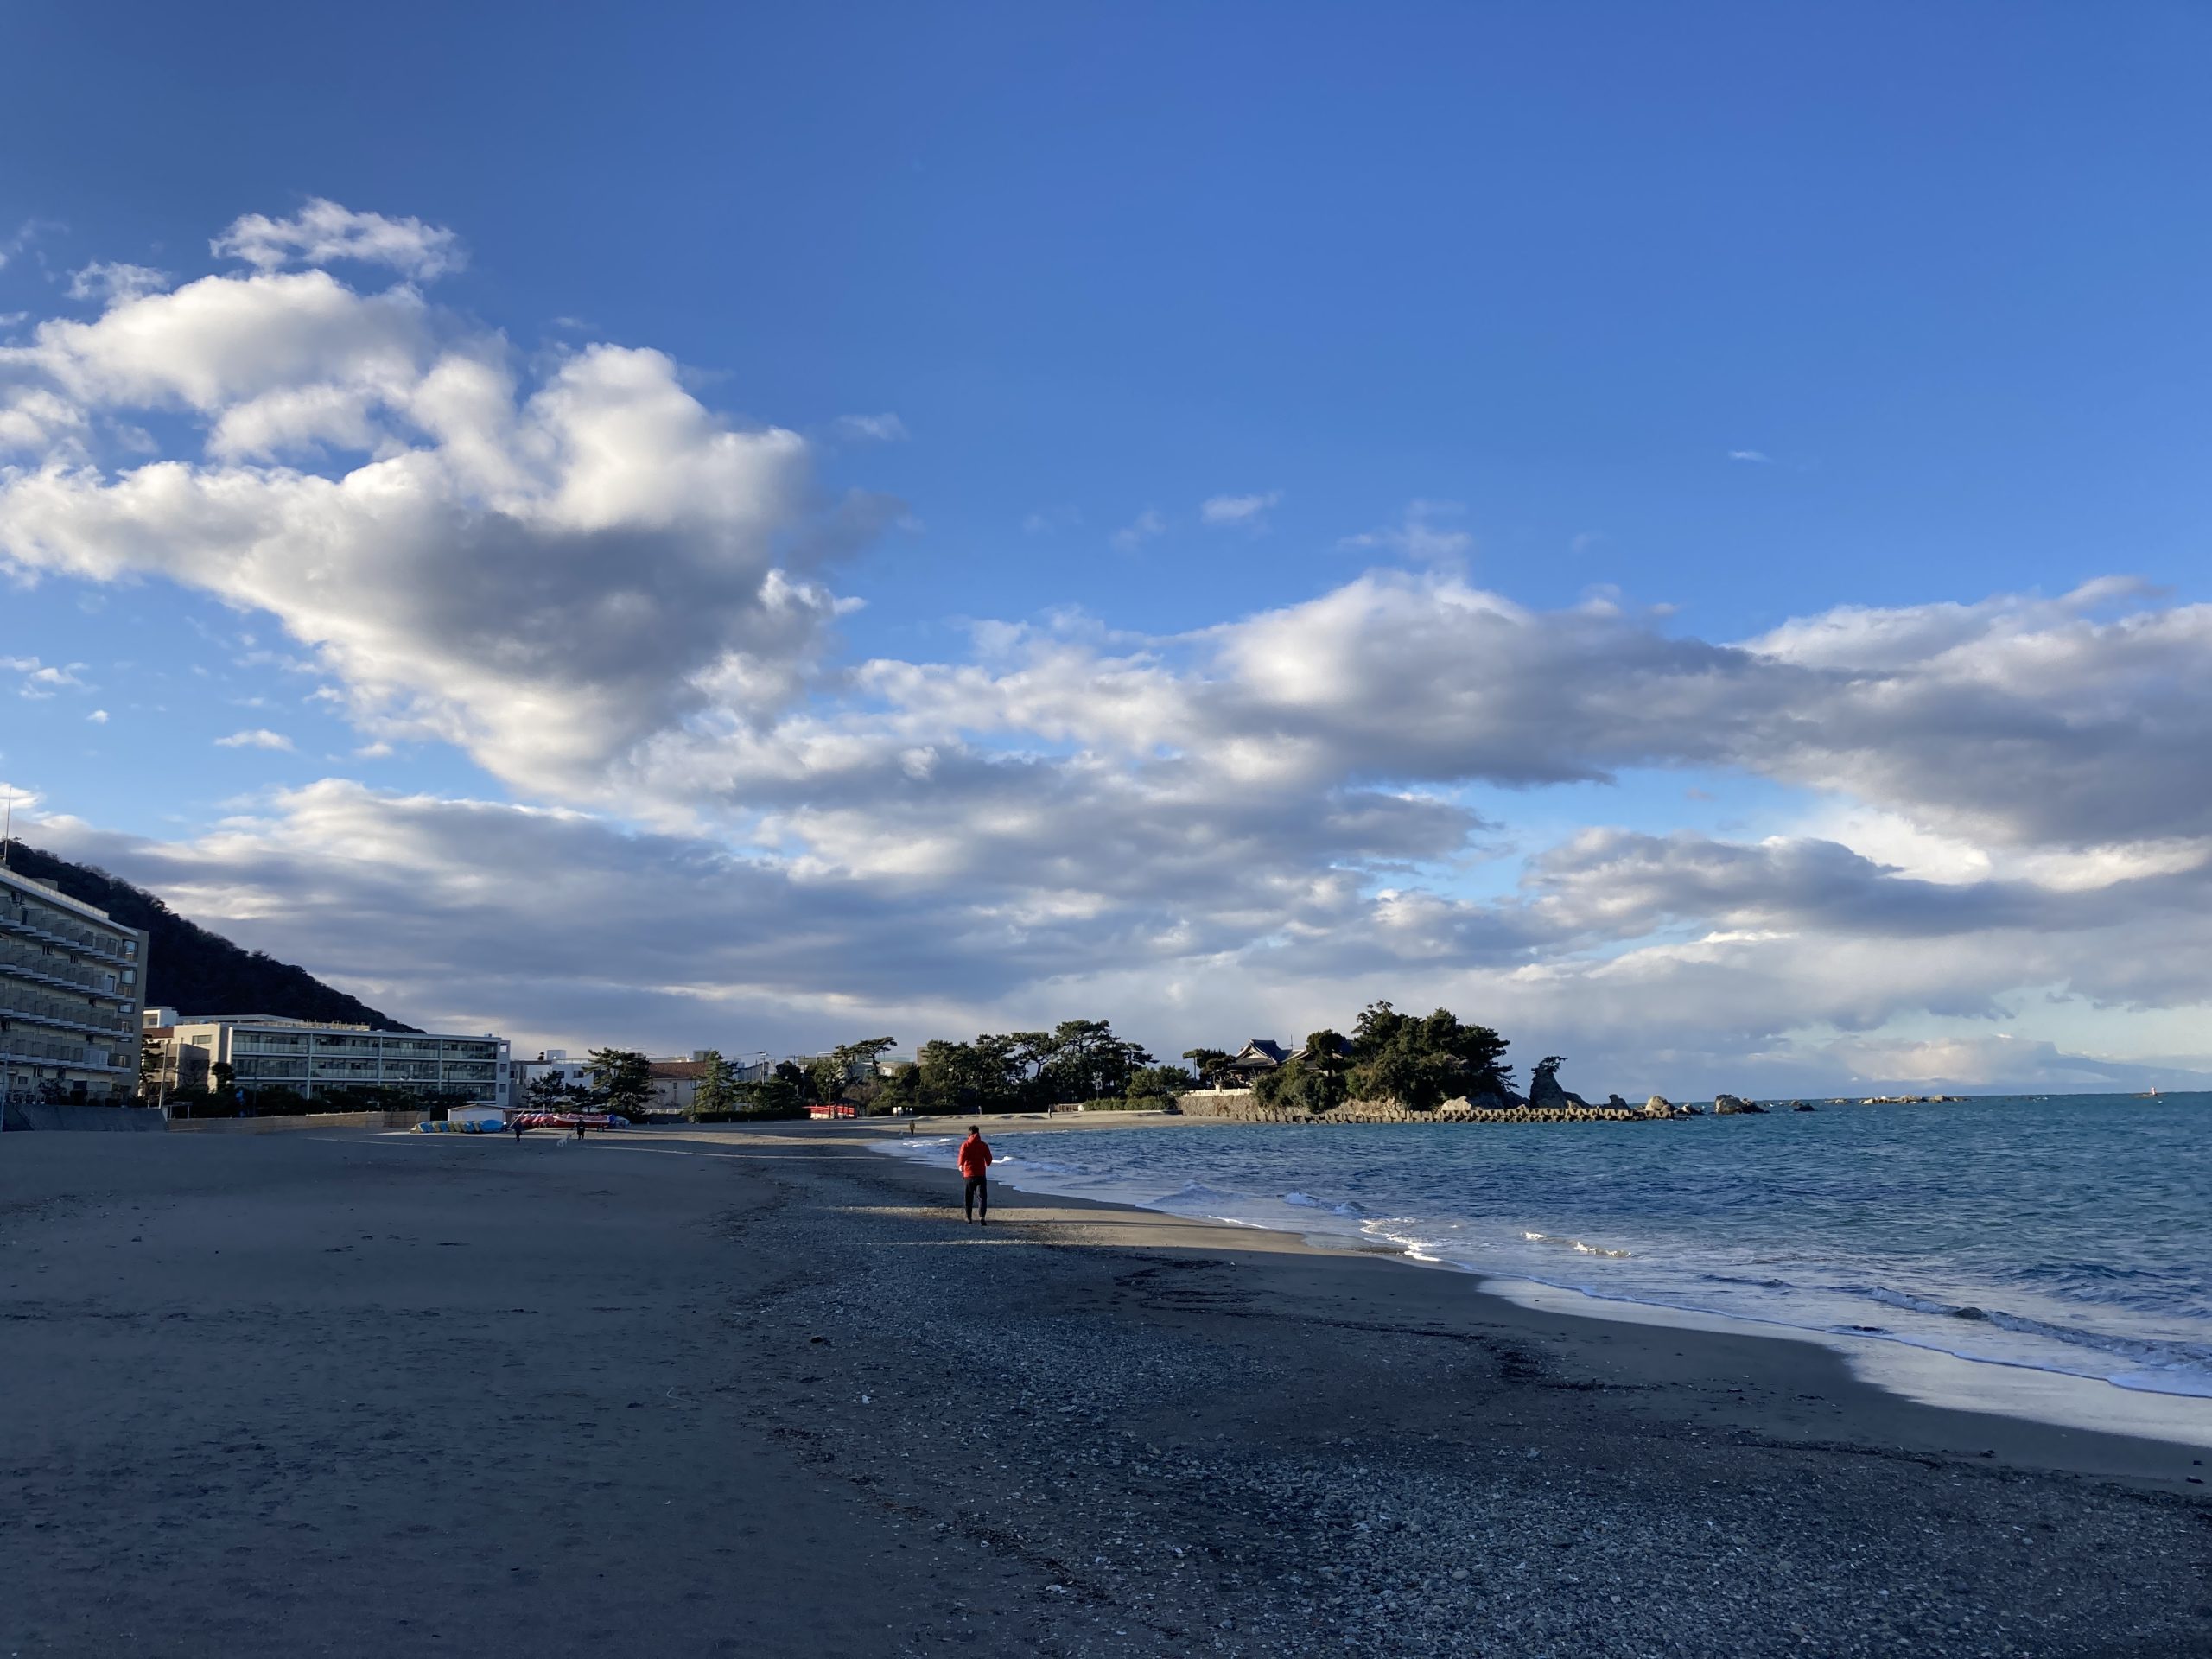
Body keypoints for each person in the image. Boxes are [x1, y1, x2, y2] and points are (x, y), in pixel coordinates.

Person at [957, 1124, 993, 1224]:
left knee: (968, 1197)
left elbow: (961, 1157)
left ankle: (969, 1218)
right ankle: (982, 1217)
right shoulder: (983, 1145)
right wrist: (986, 1164)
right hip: (980, 1174)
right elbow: (989, 1159)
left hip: (968, 1174)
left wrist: (960, 1166)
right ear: (978, 1133)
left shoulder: (965, 1145)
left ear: (969, 1134)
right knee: (982, 1197)